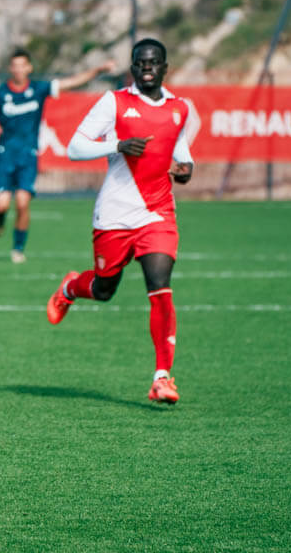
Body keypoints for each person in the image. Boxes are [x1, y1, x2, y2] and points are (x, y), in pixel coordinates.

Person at [46, 38, 193, 404]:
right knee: (104, 289)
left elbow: (180, 149)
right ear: (132, 67)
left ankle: (162, 377)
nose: (147, 67)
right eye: (140, 62)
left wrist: (186, 167)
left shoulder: (179, 108)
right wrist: (117, 145)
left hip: (158, 213)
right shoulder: (114, 102)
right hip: (113, 215)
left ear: (165, 67)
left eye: (153, 62)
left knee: (160, 287)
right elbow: (75, 147)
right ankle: (71, 288)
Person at [0, 49, 116, 263]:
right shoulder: (0, 93)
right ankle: (0, 219)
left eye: (22, 65)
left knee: (22, 203)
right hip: (5, 155)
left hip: (28, 156)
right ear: (10, 68)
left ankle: (18, 248)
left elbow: (71, 82)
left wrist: (97, 70)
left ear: (29, 68)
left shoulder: (38, 89)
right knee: (0, 205)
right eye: (15, 65)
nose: (18, 69)